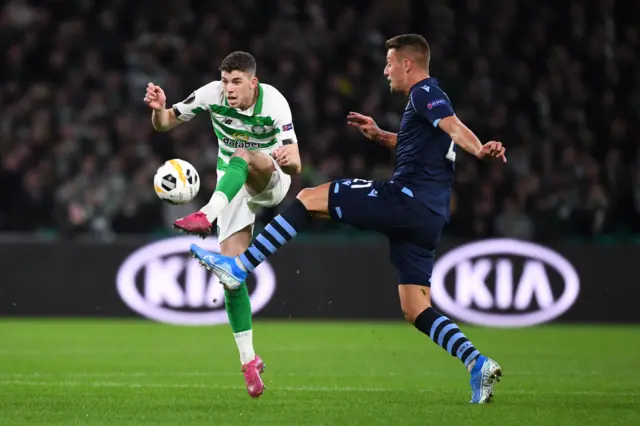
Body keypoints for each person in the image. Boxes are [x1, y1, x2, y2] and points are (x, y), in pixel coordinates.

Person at [190, 34, 506, 404]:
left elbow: (452, 127)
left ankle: (240, 268)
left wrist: (479, 148)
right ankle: (477, 362)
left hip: (405, 200)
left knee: (308, 197)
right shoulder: (422, 105)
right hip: (430, 217)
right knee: (415, 308)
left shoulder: (424, 92)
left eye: (390, 63)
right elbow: (424, 142)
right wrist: (381, 135)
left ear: (408, 64)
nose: (386, 70)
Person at [144, 51, 301, 399]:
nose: (228, 89)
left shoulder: (274, 103)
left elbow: (296, 166)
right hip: (232, 185)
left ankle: (206, 215)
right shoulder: (210, 94)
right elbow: (166, 123)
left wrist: (286, 161)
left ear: (253, 82)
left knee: (242, 156)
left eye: (236, 82)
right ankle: (249, 361)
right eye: (226, 81)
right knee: (231, 276)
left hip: (268, 178)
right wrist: (158, 109)